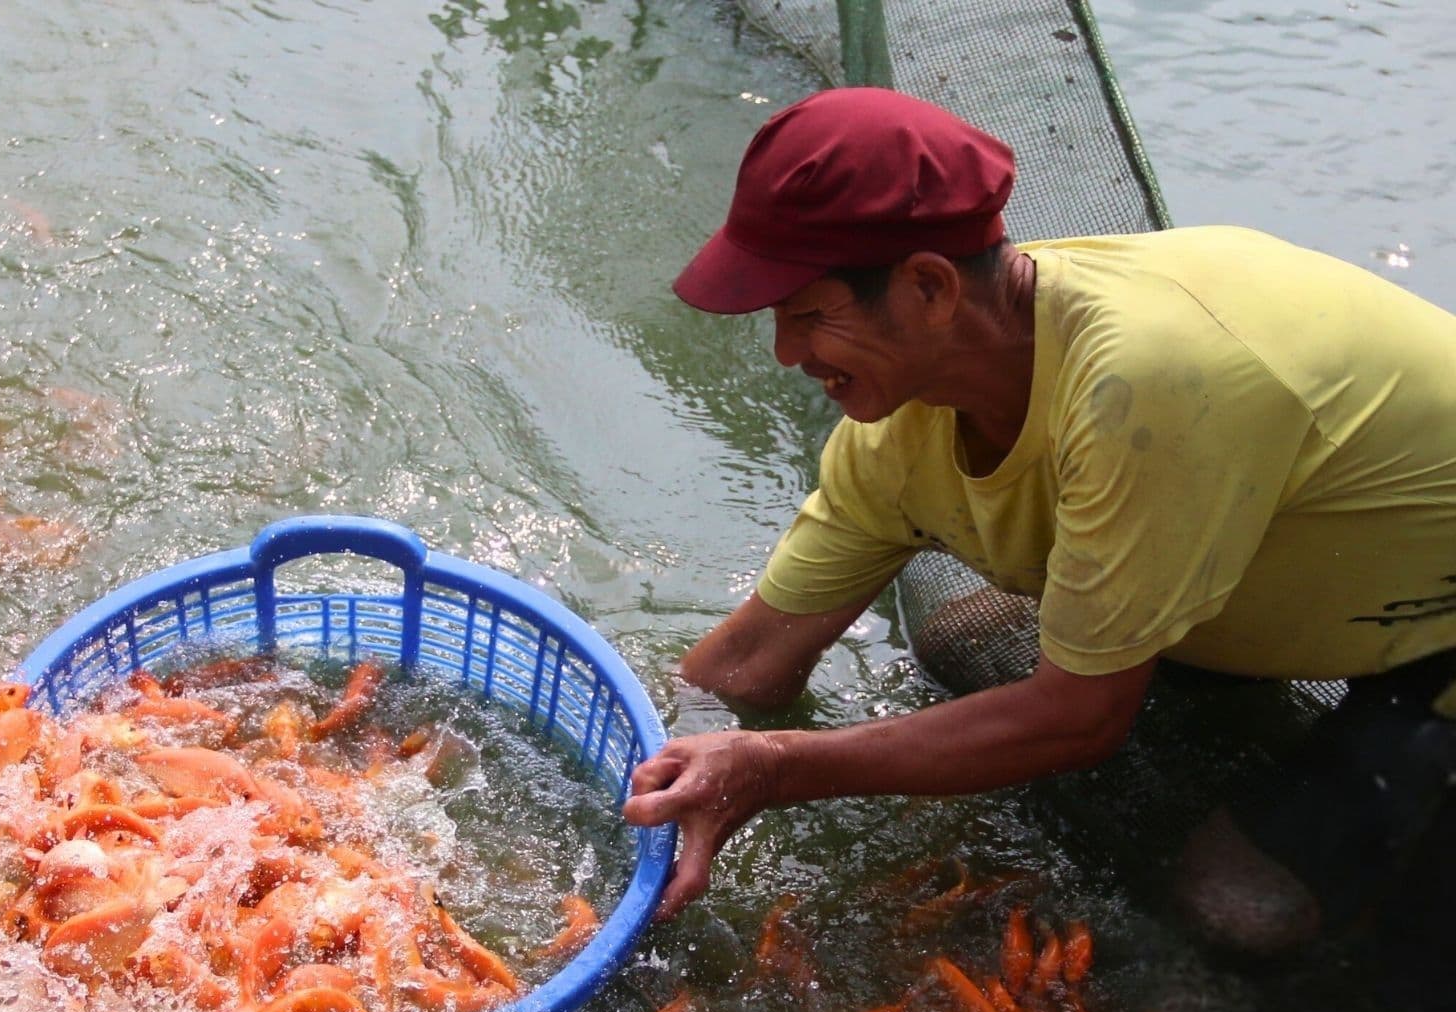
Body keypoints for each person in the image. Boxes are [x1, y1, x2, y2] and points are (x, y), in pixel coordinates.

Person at [622, 87, 1456, 955]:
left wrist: (776, 769)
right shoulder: (896, 426)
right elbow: (746, 668)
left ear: (929, 287)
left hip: (1435, 623)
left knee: (1238, 909)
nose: (787, 354)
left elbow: (1080, 720)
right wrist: (644, 787)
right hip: (1265, 547)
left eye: (810, 316)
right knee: (963, 644)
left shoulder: (1150, 385)